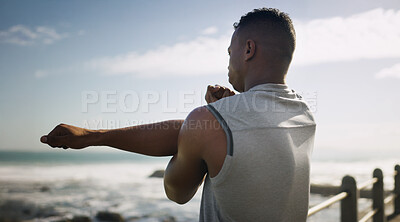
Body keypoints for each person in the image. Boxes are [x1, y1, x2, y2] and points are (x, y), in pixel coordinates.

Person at [41, 8, 316, 221]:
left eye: (230, 52)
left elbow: (176, 192)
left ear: (248, 50)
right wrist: (221, 113)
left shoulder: (211, 121)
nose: (228, 62)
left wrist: (212, 116)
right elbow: (236, 129)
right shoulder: (304, 114)